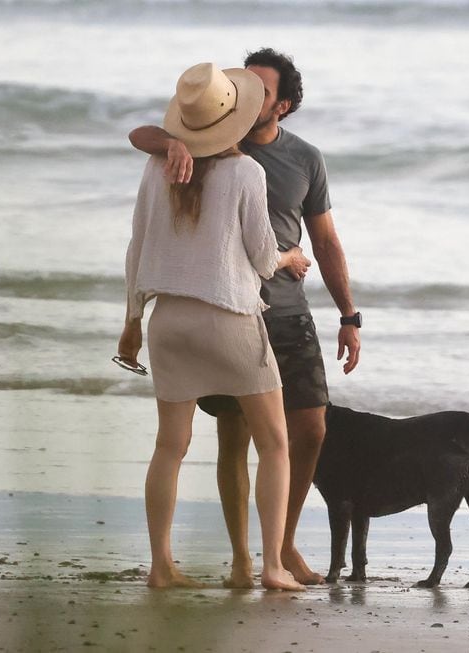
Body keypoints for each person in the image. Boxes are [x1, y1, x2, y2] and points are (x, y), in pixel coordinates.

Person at [128, 48, 361, 587]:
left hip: (278, 315)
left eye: (262, 90)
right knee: (236, 439)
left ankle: (280, 545)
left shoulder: (305, 159)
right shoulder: (211, 156)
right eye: (244, 87)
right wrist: (172, 141)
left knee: (308, 429)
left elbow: (325, 239)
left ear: (283, 106)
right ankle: (244, 561)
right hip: (235, 314)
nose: (250, 95)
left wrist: (349, 314)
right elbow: (140, 135)